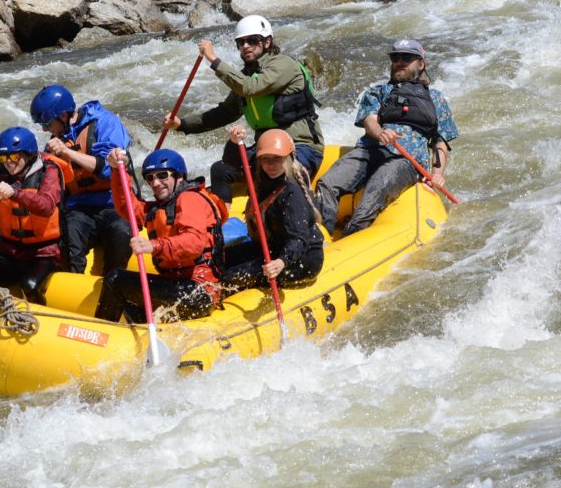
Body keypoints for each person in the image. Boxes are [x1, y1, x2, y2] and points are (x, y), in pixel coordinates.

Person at [162, 15, 325, 205]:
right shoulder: (246, 76)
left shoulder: (283, 65)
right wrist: (182, 124)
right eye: (240, 42)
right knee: (220, 170)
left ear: (267, 42)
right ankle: (223, 223)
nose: (245, 46)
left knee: (274, 174)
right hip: (265, 148)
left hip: (301, 146)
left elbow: (251, 87)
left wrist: (214, 60)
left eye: (252, 40)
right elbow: (225, 113)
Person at [315, 39, 459, 237]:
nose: (399, 62)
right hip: (369, 150)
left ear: (421, 64)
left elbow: (440, 143)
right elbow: (370, 120)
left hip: (406, 160)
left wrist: (437, 174)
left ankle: (352, 238)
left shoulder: (436, 99)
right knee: (327, 183)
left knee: (377, 188)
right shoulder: (377, 92)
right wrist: (380, 132)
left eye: (406, 58)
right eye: (395, 58)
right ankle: (320, 238)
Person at [97, 148, 226, 323]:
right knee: (128, 304)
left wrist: (154, 246)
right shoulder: (158, 208)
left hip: (199, 291)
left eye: (162, 175)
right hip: (177, 285)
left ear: (179, 177)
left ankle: (101, 333)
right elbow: (127, 206)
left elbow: (193, 243)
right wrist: (117, 171)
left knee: (116, 279)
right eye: (150, 178)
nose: (156, 183)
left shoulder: (189, 199)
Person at [0, 127, 69, 304]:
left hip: (43, 253)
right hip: (10, 253)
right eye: (3, 158)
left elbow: (46, 206)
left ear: (29, 154)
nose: (8, 162)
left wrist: (15, 194)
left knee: (30, 285)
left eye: (14, 157)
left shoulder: (48, 171)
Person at [29, 84, 134, 276]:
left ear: (63, 116)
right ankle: (71, 287)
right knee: (67, 241)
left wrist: (67, 152)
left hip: (115, 204)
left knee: (121, 234)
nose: (45, 130)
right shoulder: (56, 141)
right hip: (79, 208)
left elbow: (107, 170)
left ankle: (113, 287)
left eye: (47, 124)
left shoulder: (105, 123)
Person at [223, 129, 324, 295]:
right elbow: (231, 160)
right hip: (272, 248)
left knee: (230, 277)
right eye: (266, 159)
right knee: (223, 258)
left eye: (277, 159)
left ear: (288, 158)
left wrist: (281, 262)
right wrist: (234, 141)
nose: (271, 165)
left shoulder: (292, 193)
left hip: (302, 260)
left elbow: (299, 239)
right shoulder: (261, 175)